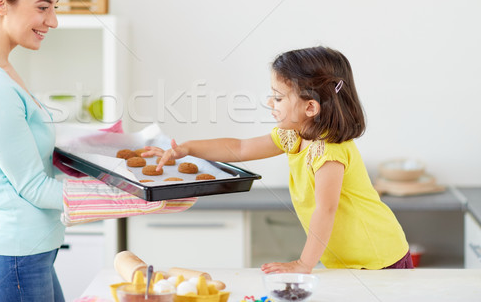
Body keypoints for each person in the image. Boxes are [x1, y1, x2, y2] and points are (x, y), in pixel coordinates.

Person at [0, 0, 194, 302]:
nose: (53, 20)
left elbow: (36, 140)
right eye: (43, 6)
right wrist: (139, 194)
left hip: (26, 255)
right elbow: (33, 187)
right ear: (1, 3)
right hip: (12, 259)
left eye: (55, 7)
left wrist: (130, 146)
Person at [144, 46, 413, 273]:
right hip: (348, 263)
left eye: (278, 97)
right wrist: (187, 148)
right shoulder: (293, 136)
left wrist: (303, 264)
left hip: (378, 259)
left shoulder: (328, 152)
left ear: (310, 107)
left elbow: (325, 210)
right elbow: (240, 147)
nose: (270, 103)